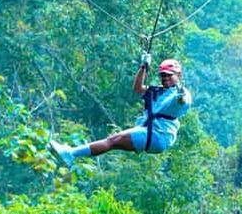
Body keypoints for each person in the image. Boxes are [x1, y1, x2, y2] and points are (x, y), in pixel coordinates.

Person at [49, 53, 192, 166]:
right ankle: (71, 154)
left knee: (113, 140)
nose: (165, 78)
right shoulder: (158, 91)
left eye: (169, 75)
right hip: (150, 134)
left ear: (178, 75)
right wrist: (143, 67)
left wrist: (180, 96)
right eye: (163, 75)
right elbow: (138, 88)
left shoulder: (181, 93)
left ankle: (71, 154)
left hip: (157, 135)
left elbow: (182, 102)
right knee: (112, 141)